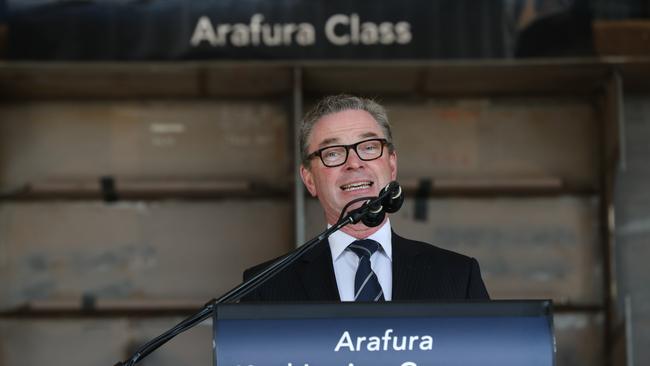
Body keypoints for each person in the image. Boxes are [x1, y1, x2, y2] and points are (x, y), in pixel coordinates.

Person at [242, 94, 489, 302]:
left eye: (369, 147)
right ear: (309, 179)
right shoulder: (264, 286)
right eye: (333, 152)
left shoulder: (458, 275)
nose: (354, 163)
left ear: (391, 165)